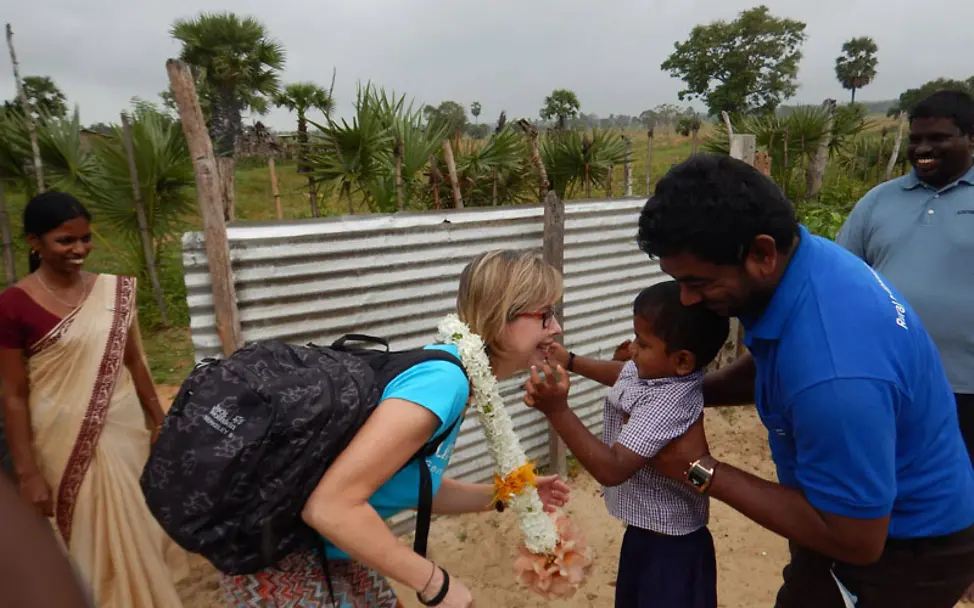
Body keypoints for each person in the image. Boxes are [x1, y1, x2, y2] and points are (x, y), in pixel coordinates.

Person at [634, 154, 974, 607]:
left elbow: (856, 539)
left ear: (760, 253)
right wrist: (683, 395)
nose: (687, 298)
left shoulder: (836, 376)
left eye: (698, 282)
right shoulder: (805, 265)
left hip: (901, 553)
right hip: (868, 511)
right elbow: (773, 361)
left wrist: (700, 469)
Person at [219, 249, 571, 607]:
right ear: (502, 316)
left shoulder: (456, 374)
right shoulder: (444, 382)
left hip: (329, 551)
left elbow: (413, 485)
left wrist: (509, 494)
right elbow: (328, 507)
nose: (555, 328)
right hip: (284, 562)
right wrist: (436, 583)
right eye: (545, 315)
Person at [0, 192, 189, 607]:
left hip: (123, 431)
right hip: (60, 437)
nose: (80, 249)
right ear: (35, 242)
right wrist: (28, 473)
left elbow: (136, 363)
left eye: (85, 239)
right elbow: (12, 394)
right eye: (65, 241)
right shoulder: (13, 304)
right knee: (88, 532)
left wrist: (160, 420)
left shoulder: (112, 292)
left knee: (139, 522)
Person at [838, 89, 974, 603]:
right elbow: (843, 275)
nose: (923, 149)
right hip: (894, 386)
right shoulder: (879, 201)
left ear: (970, 138)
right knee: (892, 486)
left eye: (938, 138)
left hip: (967, 385)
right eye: (916, 138)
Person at [525, 280, 729, 608]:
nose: (633, 349)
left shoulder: (668, 402)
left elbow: (612, 468)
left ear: (683, 361)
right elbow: (624, 372)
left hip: (671, 549)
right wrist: (572, 360)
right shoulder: (659, 371)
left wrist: (558, 410)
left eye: (643, 344)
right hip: (646, 532)